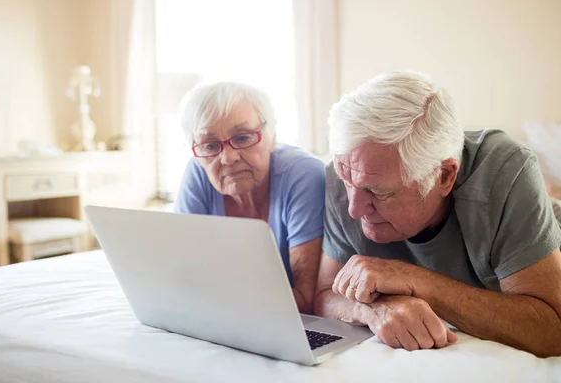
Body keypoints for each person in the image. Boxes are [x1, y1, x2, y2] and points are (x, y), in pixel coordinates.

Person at [314, 71, 561, 357]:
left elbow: (552, 329)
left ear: (444, 176)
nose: (354, 209)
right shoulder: (344, 171)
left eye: (379, 192)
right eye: (348, 182)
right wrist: (373, 308)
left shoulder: (506, 170)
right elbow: (323, 295)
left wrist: (416, 281)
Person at [174, 81, 325, 313]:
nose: (228, 158)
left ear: (272, 136)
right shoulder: (198, 172)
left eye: (243, 138)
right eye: (210, 145)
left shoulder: (303, 174)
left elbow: (305, 300)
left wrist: (213, 302)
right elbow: (181, 278)